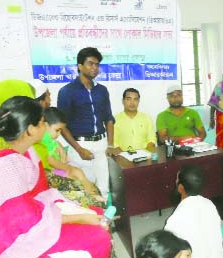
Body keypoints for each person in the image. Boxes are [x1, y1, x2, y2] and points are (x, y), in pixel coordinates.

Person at [0, 96, 112, 258]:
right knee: (97, 235)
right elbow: (25, 223)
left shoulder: (27, 151)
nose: (45, 127)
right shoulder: (5, 168)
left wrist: (80, 213)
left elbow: (40, 197)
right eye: (43, 123)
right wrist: (81, 217)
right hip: (16, 242)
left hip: (38, 219)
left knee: (96, 212)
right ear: (30, 129)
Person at [57, 47, 117, 198]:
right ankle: (90, 220)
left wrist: (110, 144)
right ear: (79, 66)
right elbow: (62, 126)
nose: (94, 68)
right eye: (90, 63)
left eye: (97, 64)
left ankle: (104, 221)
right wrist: (78, 149)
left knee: (104, 187)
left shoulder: (102, 90)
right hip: (80, 145)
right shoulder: (67, 91)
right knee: (85, 188)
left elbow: (109, 119)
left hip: (101, 144)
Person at [164, 165, 223, 258]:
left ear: (181, 188)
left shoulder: (175, 219)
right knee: (222, 231)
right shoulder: (209, 204)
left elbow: (168, 251)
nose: (175, 181)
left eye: (176, 179)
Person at [34, 107, 104, 208]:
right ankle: (91, 196)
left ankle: (92, 195)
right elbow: (51, 161)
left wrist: (63, 156)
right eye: (57, 130)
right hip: (51, 173)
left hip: (56, 169)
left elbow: (62, 158)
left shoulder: (51, 140)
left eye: (60, 131)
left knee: (79, 173)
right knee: (76, 175)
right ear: (45, 125)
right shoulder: (44, 140)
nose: (58, 134)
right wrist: (68, 168)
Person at [113, 88, 156, 153]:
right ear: (123, 101)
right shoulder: (115, 120)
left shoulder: (146, 118)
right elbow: (114, 143)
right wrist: (124, 156)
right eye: (128, 99)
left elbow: (152, 140)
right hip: (123, 157)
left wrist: (144, 154)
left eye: (135, 99)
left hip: (144, 157)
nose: (132, 103)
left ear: (139, 101)